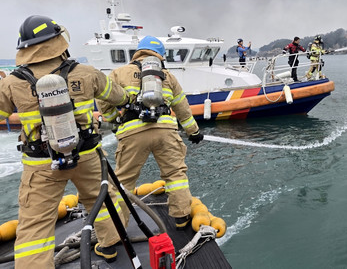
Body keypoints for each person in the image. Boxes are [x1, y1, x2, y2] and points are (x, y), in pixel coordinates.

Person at [0, 15, 130, 266]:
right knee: (102, 200)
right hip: (87, 154)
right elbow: (118, 96)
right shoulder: (87, 73)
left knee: (35, 224)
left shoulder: (12, 83)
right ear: (59, 41)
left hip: (40, 164)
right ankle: (110, 245)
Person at [97, 36, 204, 232]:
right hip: (165, 131)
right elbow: (182, 108)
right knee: (175, 175)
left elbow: (103, 101)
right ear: (160, 56)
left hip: (132, 131)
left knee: (122, 182)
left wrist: (114, 121)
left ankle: (116, 229)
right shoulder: (168, 76)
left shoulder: (118, 73)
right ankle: (181, 218)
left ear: (138, 52)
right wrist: (194, 132)